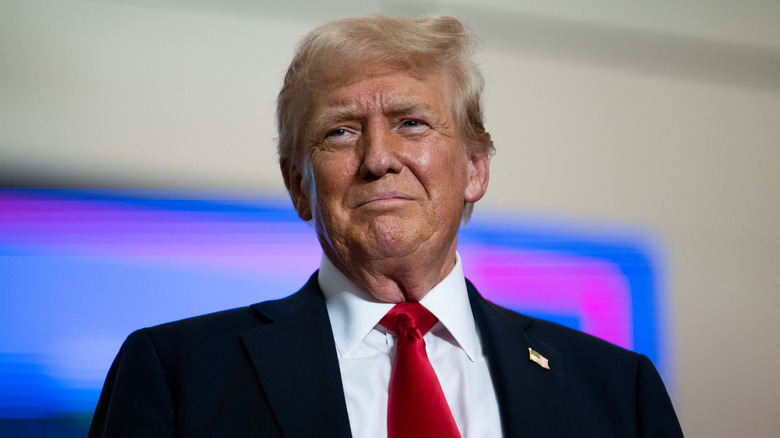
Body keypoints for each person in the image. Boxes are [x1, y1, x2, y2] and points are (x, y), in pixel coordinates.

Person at [88, 15, 684, 438]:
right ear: (299, 185)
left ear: (475, 169)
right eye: (340, 131)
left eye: (412, 123)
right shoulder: (176, 372)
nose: (378, 158)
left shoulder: (615, 389)